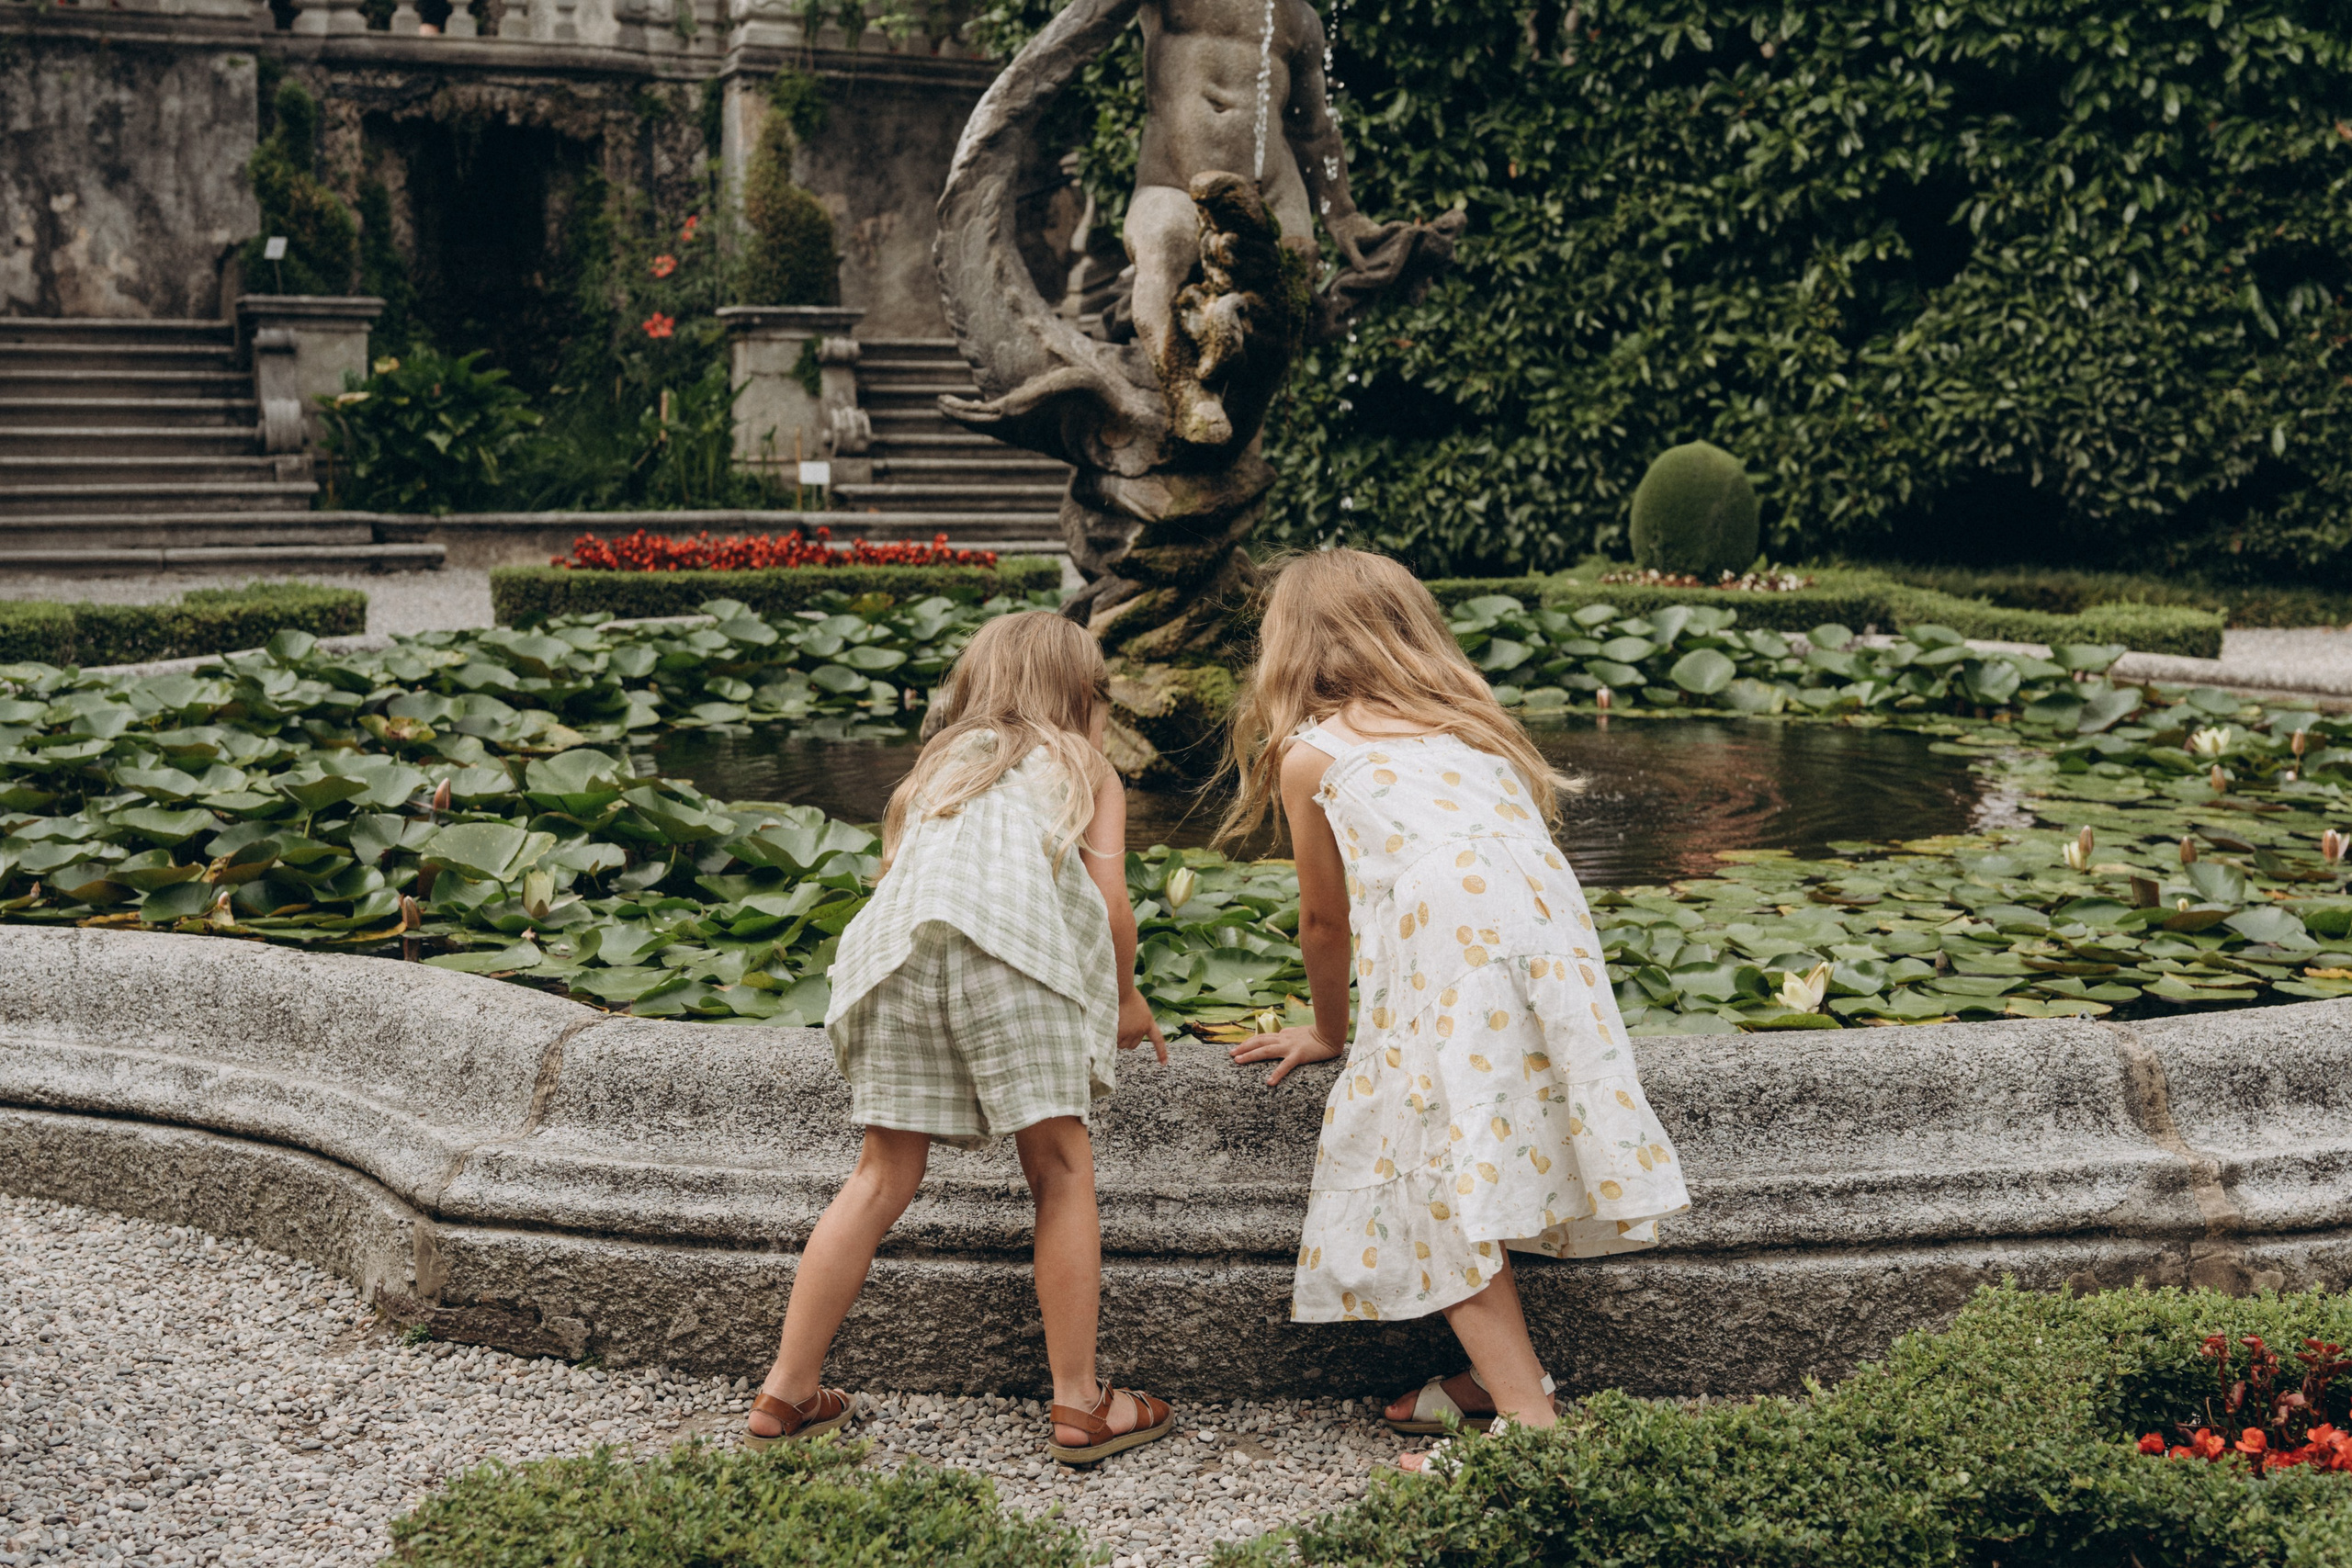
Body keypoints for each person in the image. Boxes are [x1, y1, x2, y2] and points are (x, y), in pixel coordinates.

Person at [1220, 549, 1691, 1468]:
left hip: (1451, 955)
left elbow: (1325, 920)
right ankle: (1495, 1379)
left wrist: (1330, 1031)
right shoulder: (1474, 734)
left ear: (1288, 650)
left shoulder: (1314, 756)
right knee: (1495, 1146)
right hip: (1550, 946)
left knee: (1433, 1174)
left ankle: (1528, 1431)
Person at [743, 611, 1176, 1466]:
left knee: (879, 1174)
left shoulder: (938, 767)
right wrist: (1125, 998)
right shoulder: (1087, 765)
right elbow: (1114, 905)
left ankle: (786, 1390)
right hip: (1009, 949)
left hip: (890, 959)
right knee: (1058, 1166)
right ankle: (1080, 1401)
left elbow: (903, 881)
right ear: (1083, 699)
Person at [1127, 0, 1388, 444]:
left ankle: (1244, 419)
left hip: (1272, 188)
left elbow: (1312, 129)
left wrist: (1342, 213)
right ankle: (1187, 393)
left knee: (1288, 287)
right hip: (1173, 181)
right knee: (1168, 243)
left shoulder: (1300, 19)